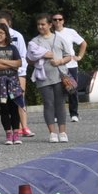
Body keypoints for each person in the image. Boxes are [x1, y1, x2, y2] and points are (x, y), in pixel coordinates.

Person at [27, 13, 76, 142]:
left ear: (50, 25)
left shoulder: (59, 39)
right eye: (38, 24)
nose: (40, 27)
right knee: (48, 104)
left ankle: (63, 132)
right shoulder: (34, 42)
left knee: (60, 103)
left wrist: (59, 61)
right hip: (43, 77)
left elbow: (68, 56)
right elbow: (29, 59)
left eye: (43, 24)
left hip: (59, 76)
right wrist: (41, 56)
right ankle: (52, 133)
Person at [0, 9, 31, 137]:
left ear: (9, 23)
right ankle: (15, 127)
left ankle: (24, 126)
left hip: (18, 72)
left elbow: (22, 57)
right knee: (7, 101)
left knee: (19, 98)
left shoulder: (17, 36)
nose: (1, 27)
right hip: (2, 74)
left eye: (4, 24)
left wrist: (17, 68)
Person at [0, 21, 25, 144]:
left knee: (14, 107)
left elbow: (19, 64)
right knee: (4, 108)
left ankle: (16, 133)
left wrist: (1, 61)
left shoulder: (12, 47)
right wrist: (10, 65)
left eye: (1, 33)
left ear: (6, 34)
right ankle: (8, 133)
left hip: (13, 82)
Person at [50, 10, 86, 122]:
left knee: (72, 90)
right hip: (56, 66)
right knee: (57, 91)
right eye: (55, 19)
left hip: (70, 65)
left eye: (59, 19)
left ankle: (74, 114)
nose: (57, 21)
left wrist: (79, 57)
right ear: (52, 22)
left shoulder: (70, 32)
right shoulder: (50, 34)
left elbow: (83, 43)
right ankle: (56, 115)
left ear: (63, 21)